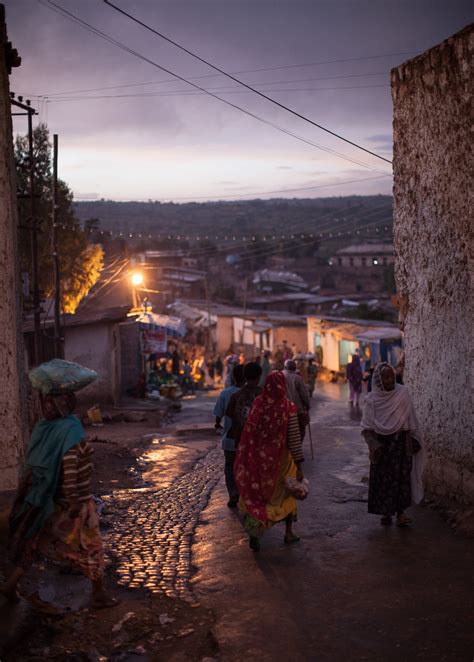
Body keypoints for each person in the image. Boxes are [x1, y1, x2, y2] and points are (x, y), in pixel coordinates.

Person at [2, 392, 117, 608]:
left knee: (35, 543)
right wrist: (74, 501)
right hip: (75, 503)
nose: (46, 407)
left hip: (46, 499)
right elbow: (71, 468)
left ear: (62, 405)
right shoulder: (70, 430)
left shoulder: (43, 428)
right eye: (45, 402)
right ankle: (99, 594)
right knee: (92, 547)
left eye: (51, 402)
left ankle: (10, 584)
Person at [235, 371, 305, 551]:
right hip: (281, 462)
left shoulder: (258, 404)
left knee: (257, 497)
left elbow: (249, 430)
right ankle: (289, 533)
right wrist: (299, 465)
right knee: (286, 495)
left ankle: (254, 532)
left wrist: (246, 455)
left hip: (257, 459)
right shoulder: (288, 408)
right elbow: (294, 439)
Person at [361, 362, 424, 527]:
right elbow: (367, 428)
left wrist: (413, 439)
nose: (390, 379)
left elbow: (411, 419)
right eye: (386, 377)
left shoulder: (403, 393)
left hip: (401, 445)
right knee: (384, 481)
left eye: (391, 375)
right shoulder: (372, 400)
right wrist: (373, 445)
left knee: (402, 480)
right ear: (379, 380)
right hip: (383, 448)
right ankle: (386, 513)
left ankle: (401, 513)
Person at [213, 364, 245, 508]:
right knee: (245, 467)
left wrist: (217, 424)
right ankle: (244, 493)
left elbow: (218, 414)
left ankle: (233, 492)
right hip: (247, 440)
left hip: (230, 438)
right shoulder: (250, 393)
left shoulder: (226, 393)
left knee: (229, 466)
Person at [225, 362, 262, 448]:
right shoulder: (264, 395)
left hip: (241, 441)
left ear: (244, 377)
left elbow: (231, 419)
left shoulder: (236, 396)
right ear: (259, 377)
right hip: (259, 442)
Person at [283, 359, 311, 440]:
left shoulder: (280, 376)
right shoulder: (298, 378)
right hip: (297, 410)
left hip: (283, 410)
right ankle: (296, 449)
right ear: (295, 368)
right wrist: (307, 405)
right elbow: (304, 395)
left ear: (285, 367)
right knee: (300, 432)